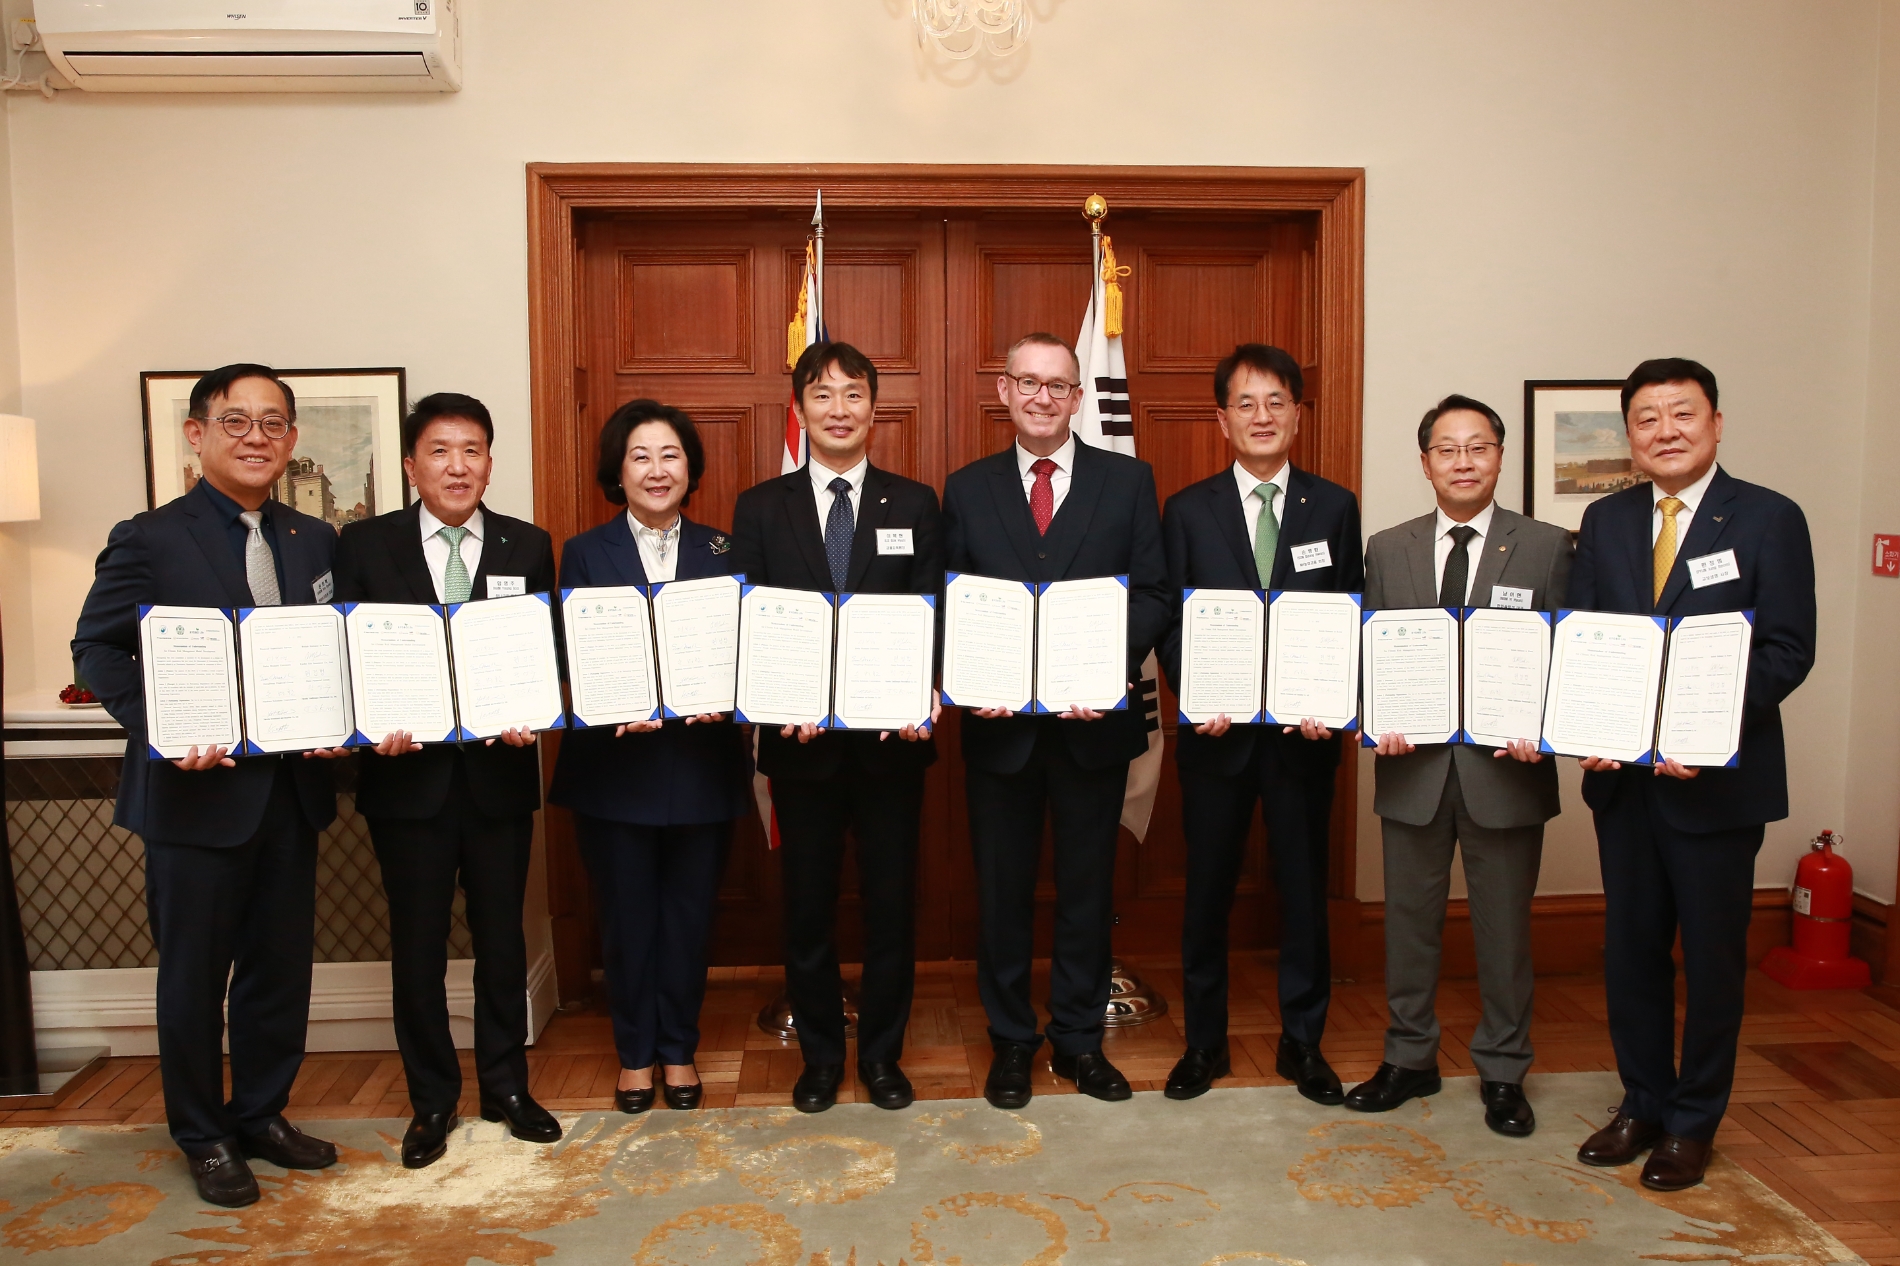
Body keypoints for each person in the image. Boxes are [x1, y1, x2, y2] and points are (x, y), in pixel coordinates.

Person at [73, 364, 344, 1207]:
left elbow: (332, 649)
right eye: (237, 421)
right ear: (197, 434)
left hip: (291, 797)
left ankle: (262, 1114)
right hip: (195, 802)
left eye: (273, 423)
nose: (256, 437)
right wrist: (166, 726)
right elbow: (97, 651)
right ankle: (202, 1134)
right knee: (193, 978)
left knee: (277, 972)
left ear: (293, 441)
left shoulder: (315, 540)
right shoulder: (150, 537)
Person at [1570, 358, 1814, 1191]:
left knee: (1711, 960)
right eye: (1647, 417)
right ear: (1629, 436)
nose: (1665, 430)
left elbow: (1787, 650)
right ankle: (1642, 1101)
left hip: (1716, 783)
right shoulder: (1603, 522)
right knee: (1630, 952)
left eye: (1682, 414)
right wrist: (1584, 722)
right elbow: (1584, 642)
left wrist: (1701, 728)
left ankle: (1693, 1120)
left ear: (1715, 423)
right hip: (1626, 785)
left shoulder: (1770, 518)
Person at [331, 393, 560, 1169]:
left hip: (497, 780)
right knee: (418, 950)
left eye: (473, 450)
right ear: (410, 464)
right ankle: (432, 1099)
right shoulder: (361, 546)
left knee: (502, 943)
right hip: (407, 784)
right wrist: (369, 722)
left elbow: (543, 653)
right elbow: (348, 657)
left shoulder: (528, 546)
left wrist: (534, 709)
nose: (458, 465)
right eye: (440, 450)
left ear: (490, 462)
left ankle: (506, 1088)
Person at [942, 331, 1170, 1109]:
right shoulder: (966, 489)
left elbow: (1155, 593)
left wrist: (1100, 665)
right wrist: (975, 675)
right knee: (1002, 893)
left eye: (1058, 385)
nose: (1042, 397)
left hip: (1091, 725)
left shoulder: (1128, 481)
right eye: (1027, 383)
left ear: (1079, 398)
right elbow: (951, 603)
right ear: (1003, 391)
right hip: (1000, 731)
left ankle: (1078, 1043)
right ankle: (1011, 1042)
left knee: (1084, 891)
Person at [1346, 393, 1572, 1135]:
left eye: (1478, 446)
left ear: (1500, 458)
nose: (1463, 460)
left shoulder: (1547, 547)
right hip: (1413, 773)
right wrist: (1373, 721)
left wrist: (1550, 724)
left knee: (1505, 932)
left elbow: (1568, 660)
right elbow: (1371, 657)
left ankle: (1504, 1071)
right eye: (1447, 448)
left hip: (1506, 775)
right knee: (1408, 926)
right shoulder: (1389, 546)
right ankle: (1409, 1058)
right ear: (1425, 463)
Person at [730, 342, 945, 1114]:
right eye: (823, 396)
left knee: (891, 905)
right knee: (808, 906)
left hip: (891, 748)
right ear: (801, 409)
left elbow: (932, 612)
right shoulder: (761, 507)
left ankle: (883, 1057)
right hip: (800, 752)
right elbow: (749, 621)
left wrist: (926, 688)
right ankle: (821, 1057)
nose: (839, 410)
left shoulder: (915, 503)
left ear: (874, 408)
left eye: (854, 395)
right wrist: (774, 700)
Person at [1158, 343, 1363, 1106]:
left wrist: (1332, 698)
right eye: (1246, 403)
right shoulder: (1188, 509)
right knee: (1206, 890)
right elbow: (1171, 619)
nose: (1262, 416)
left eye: (1277, 401)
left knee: (1303, 893)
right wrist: (1194, 691)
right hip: (1216, 740)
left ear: (1299, 413)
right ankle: (1204, 1044)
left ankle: (1302, 1042)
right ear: (1222, 419)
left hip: (1302, 743)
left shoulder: (1334, 508)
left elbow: (1349, 611)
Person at [548, 400, 751, 1114]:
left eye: (670, 455)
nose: (657, 469)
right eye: (641, 455)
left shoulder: (727, 551)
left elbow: (747, 654)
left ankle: (679, 1048)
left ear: (689, 467)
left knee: (690, 917)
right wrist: (612, 702)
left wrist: (731, 693)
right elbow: (575, 651)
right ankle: (635, 1054)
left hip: (701, 765)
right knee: (627, 918)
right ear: (618, 469)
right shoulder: (582, 551)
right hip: (615, 771)